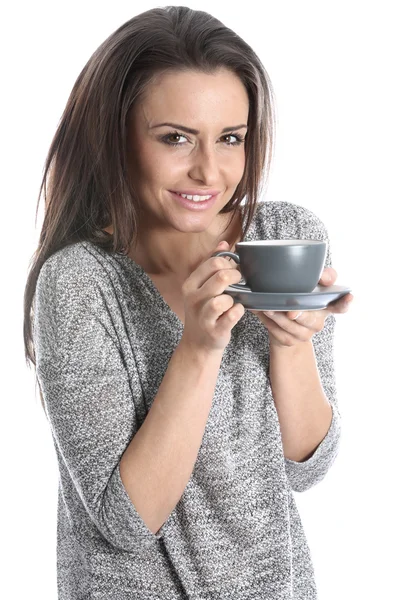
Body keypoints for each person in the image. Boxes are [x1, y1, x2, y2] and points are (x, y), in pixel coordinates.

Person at [23, 6, 353, 600]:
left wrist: (293, 341)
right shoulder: (78, 284)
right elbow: (126, 521)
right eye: (175, 138)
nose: (208, 170)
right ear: (115, 135)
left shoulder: (282, 239)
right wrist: (198, 350)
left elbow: (309, 465)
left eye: (231, 138)